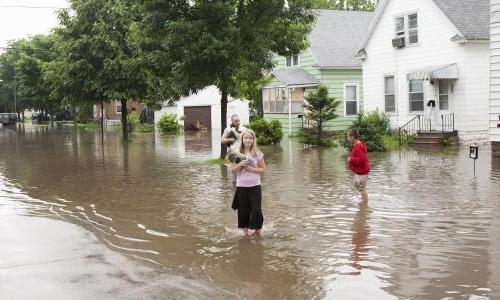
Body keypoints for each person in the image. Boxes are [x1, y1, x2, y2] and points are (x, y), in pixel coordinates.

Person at [231, 129, 266, 236]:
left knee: (256, 209)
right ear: (242, 139)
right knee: (243, 209)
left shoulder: (257, 153)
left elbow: (263, 169)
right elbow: (233, 170)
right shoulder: (236, 152)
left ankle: (257, 230)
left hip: (255, 186)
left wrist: (251, 169)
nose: (248, 140)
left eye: (250, 138)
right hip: (242, 186)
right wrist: (240, 164)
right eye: (246, 138)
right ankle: (245, 232)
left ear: (253, 140)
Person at [347, 129, 370, 202]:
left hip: (362, 171)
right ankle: (363, 198)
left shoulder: (358, 147)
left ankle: (364, 203)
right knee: (357, 184)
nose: (348, 139)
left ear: (352, 137)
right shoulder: (357, 145)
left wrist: (351, 159)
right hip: (359, 171)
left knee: (361, 188)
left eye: (348, 137)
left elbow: (362, 161)